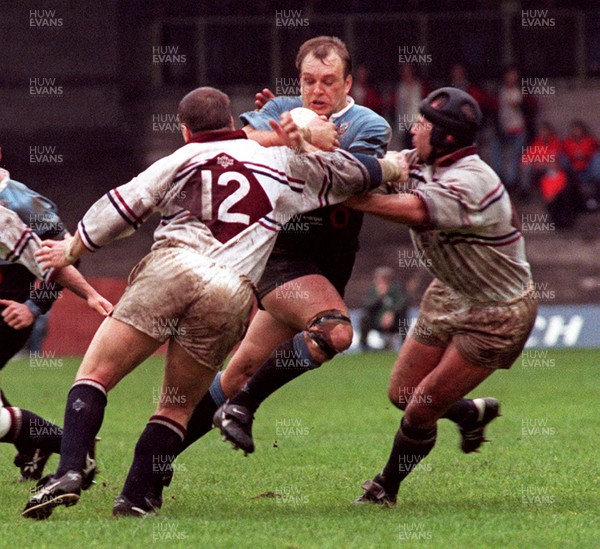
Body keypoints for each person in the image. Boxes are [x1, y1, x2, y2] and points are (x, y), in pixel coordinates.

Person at [22, 86, 406, 519]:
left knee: (95, 375)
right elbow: (352, 174)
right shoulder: (281, 162)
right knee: (176, 405)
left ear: (186, 131)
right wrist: (395, 164)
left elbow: (119, 210)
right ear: (232, 122)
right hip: (231, 290)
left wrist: (72, 251)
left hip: (172, 268)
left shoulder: (177, 159)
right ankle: (134, 499)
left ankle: (71, 470)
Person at [173, 37, 390, 463]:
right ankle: (244, 409)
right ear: (299, 81)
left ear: (348, 83)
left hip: (327, 266)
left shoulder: (370, 126)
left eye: (329, 81)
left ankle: (153, 461)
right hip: (279, 256)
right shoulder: (280, 111)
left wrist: (297, 143)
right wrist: (291, 134)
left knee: (239, 373)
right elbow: (241, 143)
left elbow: (351, 183)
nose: (318, 90)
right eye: (309, 80)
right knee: (335, 331)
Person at [344, 87, 537, 506]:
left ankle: (385, 488)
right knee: (401, 394)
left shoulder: (474, 182)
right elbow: (384, 169)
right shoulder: (422, 160)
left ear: (447, 137)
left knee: (421, 408)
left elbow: (415, 210)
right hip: (450, 291)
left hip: (497, 311)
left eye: (423, 125)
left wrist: (355, 197)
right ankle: (470, 413)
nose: (413, 130)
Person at [0, 158, 110, 482]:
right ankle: (46, 444)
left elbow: (65, 256)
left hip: (8, 315)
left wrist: (33, 306)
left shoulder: (19, 205)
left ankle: (69, 446)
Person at [359, 266, 408, 351]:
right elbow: (367, 306)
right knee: (364, 319)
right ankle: (364, 346)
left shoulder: (397, 289)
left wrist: (391, 313)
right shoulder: (373, 290)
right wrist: (380, 297)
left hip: (394, 321)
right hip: (376, 321)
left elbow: (403, 304)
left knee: (403, 321)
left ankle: (405, 347)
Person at [561, 120, 600, 211]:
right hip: (574, 171)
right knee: (563, 160)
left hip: (588, 169)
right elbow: (562, 154)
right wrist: (574, 156)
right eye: (574, 130)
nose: (576, 132)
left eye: (578, 130)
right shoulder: (567, 142)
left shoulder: (590, 140)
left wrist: (586, 154)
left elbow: (596, 150)